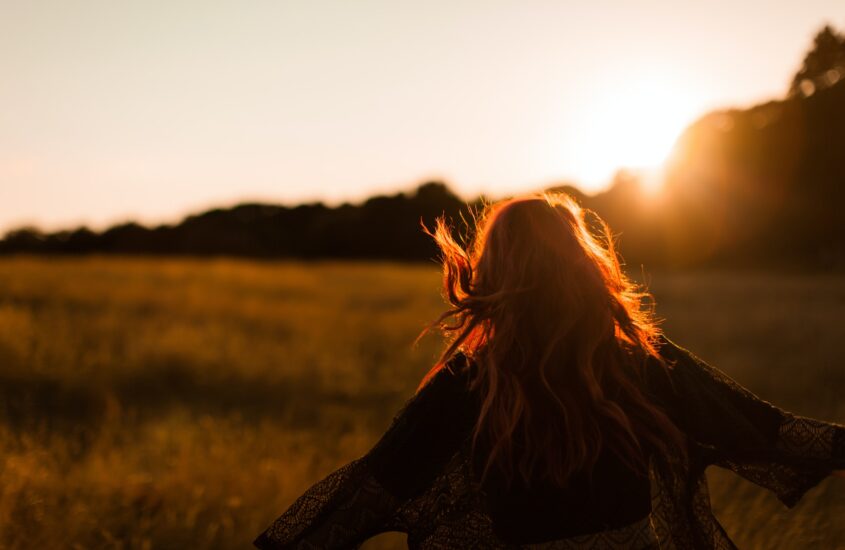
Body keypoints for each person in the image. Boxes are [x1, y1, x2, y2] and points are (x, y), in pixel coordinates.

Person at [254, 193, 844, 549]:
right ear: (584, 267)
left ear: (494, 275)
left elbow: (363, 495)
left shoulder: (468, 385)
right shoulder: (640, 361)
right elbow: (776, 434)